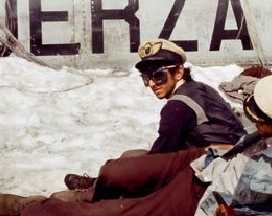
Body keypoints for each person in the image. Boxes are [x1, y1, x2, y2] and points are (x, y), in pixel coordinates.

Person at [0, 75, 272, 216]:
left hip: (201, 195)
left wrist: (236, 213)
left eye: (257, 117)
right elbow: (242, 150)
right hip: (203, 160)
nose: (250, 117)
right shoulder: (270, 129)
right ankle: (91, 192)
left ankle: (30, 207)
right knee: (117, 171)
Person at [61, 38, 246, 190]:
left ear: (179, 72)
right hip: (230, 161)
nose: (151, 84)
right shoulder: (200, 88)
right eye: (146, 78)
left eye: (158, 76)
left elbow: (159, 159)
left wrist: (123, 170)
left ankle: (96, 186)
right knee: (130, 156)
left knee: (128, 166)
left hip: (212, 170)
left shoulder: (177, 106)